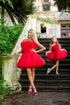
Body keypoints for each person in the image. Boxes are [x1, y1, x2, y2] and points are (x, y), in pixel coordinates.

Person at [14, 29, 46, 95]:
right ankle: (34, 88)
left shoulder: (35, 41)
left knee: (32, 72)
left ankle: (30, 87)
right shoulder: (24, 40)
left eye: (31, 32)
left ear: (33, 34)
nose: (29, 33)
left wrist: (36, 51)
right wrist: (17, 52)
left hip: (33, 56)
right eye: (29, 32)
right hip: (25, 56)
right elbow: (23, 49)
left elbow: (43, 48)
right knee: (29, 72)